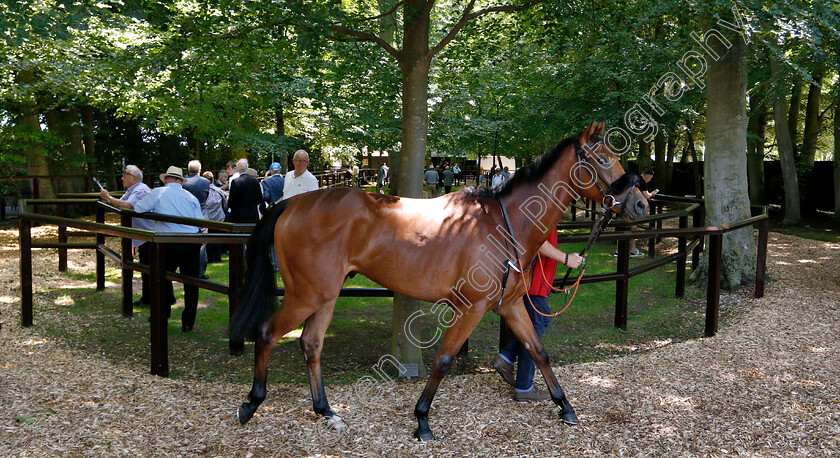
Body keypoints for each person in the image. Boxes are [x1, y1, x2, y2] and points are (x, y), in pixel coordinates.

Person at [494, 231, 583, 401]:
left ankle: (506, 357)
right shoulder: (540, 206)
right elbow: (536, 240)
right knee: (534, 328)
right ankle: (524, 386)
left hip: (537, 280)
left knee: (541, 321)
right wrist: (566, 258)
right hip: (533, 280)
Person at [133, 166, 204, 332]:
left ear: (165, 179)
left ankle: (162, 313)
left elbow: (138, 208)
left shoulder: (158, 193)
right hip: (190, 242)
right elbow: (200, 221)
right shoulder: (191, 197)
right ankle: (188, 322)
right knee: (191, 283)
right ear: (181, 181)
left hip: (167, 242)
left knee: (162, 279)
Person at [99, 165, 154, 307]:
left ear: (134, 178)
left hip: (148, 234)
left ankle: (157, 298)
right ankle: (149, 298)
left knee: (150, 268)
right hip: (142, 234)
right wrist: (109, 199)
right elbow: (121, 204)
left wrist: (109, 198)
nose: (122, 177)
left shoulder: (140, 190)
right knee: (146, 267)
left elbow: (127, 205)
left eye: (125, 174)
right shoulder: (132, 190)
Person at [614, 170, 657, 258]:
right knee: (633, 227)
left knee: (621, 227)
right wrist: (652, 194)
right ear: (647, 177)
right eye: (650, 178)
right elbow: (646, 195)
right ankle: (632, 250)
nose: (650, 180)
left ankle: (619, 250)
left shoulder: (632, 178)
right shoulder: (642, 182)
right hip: (632, 209)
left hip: (622, 206)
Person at [202, 171, 228, 265]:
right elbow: (224, 205)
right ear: (213, 180)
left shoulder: (202, 191)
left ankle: (208, 257)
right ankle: (217, 257)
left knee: (207, 240)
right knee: (217, 239)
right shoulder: (219, 190)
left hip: (206, 219)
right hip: (218, 218)